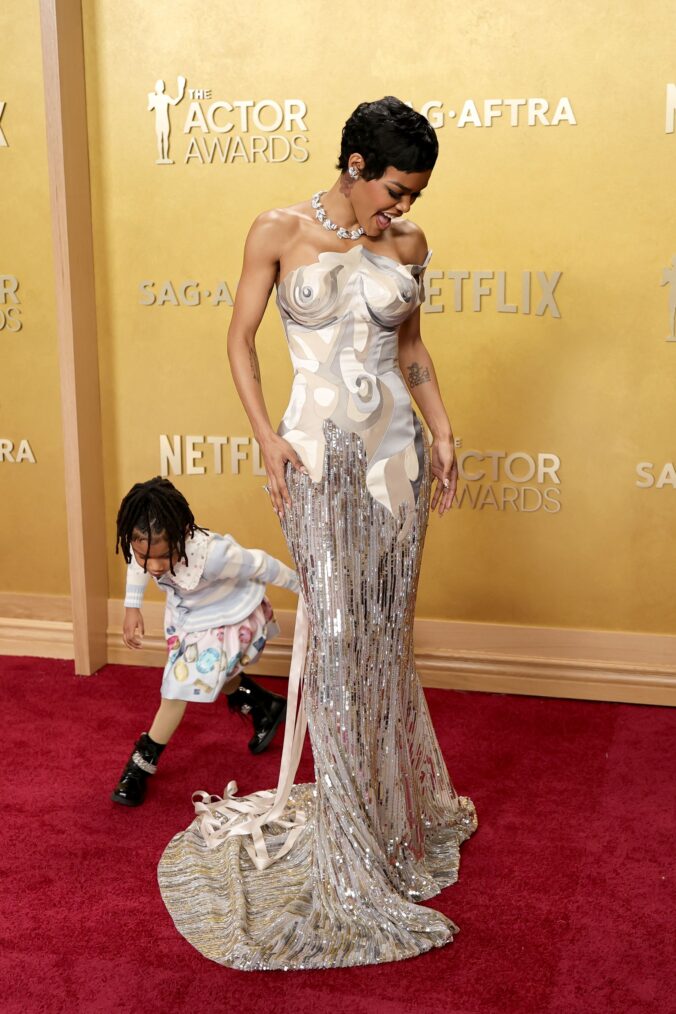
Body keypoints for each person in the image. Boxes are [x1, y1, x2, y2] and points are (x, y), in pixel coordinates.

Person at [157, 97, 478, 969]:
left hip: (395, 467)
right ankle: (343, 835)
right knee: (335, 634)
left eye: (412, 195)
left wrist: (443, 429)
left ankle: (385, 812)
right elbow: (239, 340)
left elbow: (410, 348)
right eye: (395, 191)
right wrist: (266, 436)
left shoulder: (409, 248)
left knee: (380, 638)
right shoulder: (277, 230)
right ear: (353, 164)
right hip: (315, 465)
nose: (402, 209)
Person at [111, 476, 300, 806]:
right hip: (189, 617)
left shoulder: (214, 555)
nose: (153, 567)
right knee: (211, 676)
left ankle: (140, 766)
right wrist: (132, 606)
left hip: (227, 614)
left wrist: (305, 589)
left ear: (182, 535)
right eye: (145, 556)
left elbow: (264, 564)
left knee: (177, 687)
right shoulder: (144, 544)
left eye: (161, 557)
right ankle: (264, 706)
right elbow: (136, 562)